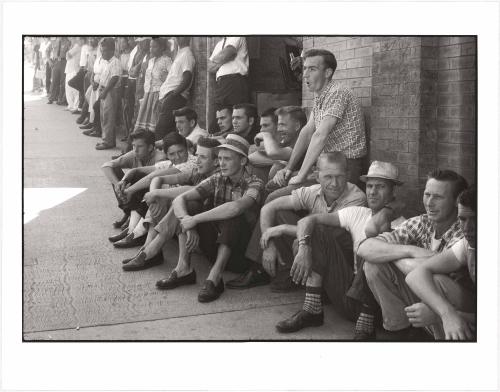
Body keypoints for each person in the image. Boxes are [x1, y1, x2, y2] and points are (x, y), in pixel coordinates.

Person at [275, 161, 405, 338]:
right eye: (369, 186)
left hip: (379, 307)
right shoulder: (358, 213)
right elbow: (306, 221)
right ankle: (312, 309)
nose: (373, 192)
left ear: (393, 191)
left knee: (372, 247)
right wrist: (304, 248)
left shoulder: (404, 226)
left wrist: (385, 216)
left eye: (380, 187)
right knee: (318, 229)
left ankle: (366, 323)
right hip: (350, 294)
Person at [226, 152, 366, 293]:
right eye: (328, 177)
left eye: (339, 177)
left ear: (347, 175)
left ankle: (315, 285)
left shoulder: (356, 198)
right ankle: (277, 271)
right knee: (279, 213)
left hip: (338, 257)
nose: (334, 183)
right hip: (313, 243)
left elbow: (326, 234)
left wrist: (283, 228)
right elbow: (269, 207)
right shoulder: (313, 191)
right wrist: (268, 244)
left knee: (306, 236)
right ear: (317, 177)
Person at [358, 169, 468, 340]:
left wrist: (394, 257)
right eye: (427, 194)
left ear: (456, 201)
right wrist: (410, 251)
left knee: (435, 279)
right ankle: (399, 332)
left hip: (455, 309)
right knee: (373, 264)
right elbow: (365, 247)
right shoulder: (423, 222)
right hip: (420, 299)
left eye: (438, 197)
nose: (429, 203)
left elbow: (431, 272)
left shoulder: (464, 230)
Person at [160, 134, 264, 302]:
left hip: (240, 254)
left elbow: (236, 207)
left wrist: (196, 220)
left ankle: (214, 278)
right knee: (190, 205)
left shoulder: (255, 183)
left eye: (227, 159)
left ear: (243, 161)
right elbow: (180, 199)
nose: (221, 163)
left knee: (233, 217)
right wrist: (189, 222)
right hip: (214, 246)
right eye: (220, 158)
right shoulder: (217, 179)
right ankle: (183, 269)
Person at [268, 49, 367, 202]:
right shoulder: (320, 95)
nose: (305, 74)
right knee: (272, 185)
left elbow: (320, 135)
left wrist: (301, 175)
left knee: (273, 198)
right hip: (325, 163)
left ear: (327, 73)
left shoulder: (337, 92)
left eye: (312, 69)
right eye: (305, 68)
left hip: (343, 168)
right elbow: (307, 131)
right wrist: (289, 168)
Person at [122, 137, 221, 271]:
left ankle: (152, 250)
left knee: (184, 202)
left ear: (216, 161)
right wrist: (155, 196)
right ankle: (152, 250)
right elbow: (158, 178)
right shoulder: (197, 171)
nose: (197, 160)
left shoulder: (218, 177)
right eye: (197, 156)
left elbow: (193, 191)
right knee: (164, 197)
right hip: (190, 230)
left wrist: (157, 194)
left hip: (213, 240)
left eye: (203, 157)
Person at [405, 187, 476, 340]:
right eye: (463, 219)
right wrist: (446, 313)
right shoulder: (466, 243)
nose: (468, 228)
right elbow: (416, 274)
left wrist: (438, 315)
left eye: (476, 219)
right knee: (435, 281)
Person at [111, 132, 197, 248]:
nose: (177, 157)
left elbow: (154, 177)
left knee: (152, 190)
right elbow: (136, 170)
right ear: (167, 154)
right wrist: (123, 181)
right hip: (168, 203)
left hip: (184, 202)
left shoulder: (191, 163)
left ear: (187, 149)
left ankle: (139, 237)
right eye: (172, 154)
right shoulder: (170, 163)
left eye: (181, 151)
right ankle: (134, 231)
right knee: (139, 178)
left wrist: (129, 191)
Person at [101, 129, 166, 229]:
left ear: (150, 147)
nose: (135, 150)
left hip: (153, 198)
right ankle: (129, 213)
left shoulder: (160, 158)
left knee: (138, 176)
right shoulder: (134, 154)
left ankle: (135, 216)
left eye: (140, 146)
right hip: (134, 194)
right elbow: (106, 166)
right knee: (115, 172)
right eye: (134, 145)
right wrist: (117, 184)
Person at [155, 37, 196, 140]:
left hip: (175, 97)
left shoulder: (187, 54)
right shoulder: (180, 53)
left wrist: (173, 95)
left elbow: (187, 77)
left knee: (161, 130)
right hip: (169, 97)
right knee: (167, 131)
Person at [208, 37, 249, 132]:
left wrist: (219, 60)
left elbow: (228, 52)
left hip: (235, 81)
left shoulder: (237, 36)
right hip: (221, 84)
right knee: (217, 123)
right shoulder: (219, 44)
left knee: (237, 119)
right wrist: (223, 59)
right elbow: (209, 67)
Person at [134, 38, 172, 133]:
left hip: (158, 94)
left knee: (155, 119)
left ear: (162, 47)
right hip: (148, 94)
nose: (151, 49)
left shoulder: (166, 60)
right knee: (144, 118)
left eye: (154, 47)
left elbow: (172, 77)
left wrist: (165, 78)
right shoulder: (150, 61)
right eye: (150, 46)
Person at [95, 38, 122, 150]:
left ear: (112, 50)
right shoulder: (106, 62)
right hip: (104, 90)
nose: (102, 53)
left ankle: (108, 142)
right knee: (104, 116)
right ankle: (107, 139)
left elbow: (114, 78)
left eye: (105, 50)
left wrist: (105, 91)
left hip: (110, 91)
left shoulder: (115, 62)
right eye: (102, 50)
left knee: (108, 117)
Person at [47, 37, 70, 105]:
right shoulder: (53, 42)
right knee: (54, 81)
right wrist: (49, 61)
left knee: (63, 81)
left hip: (64, 62)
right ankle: (51, 98)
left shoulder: (68, 42)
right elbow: (47, 51)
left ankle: (60, 99)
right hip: (55, 62)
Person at [64, 37, 82, 113]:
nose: (70, 39)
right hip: (69, 69)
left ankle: (76, 106)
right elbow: (67, 56)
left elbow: (68, 55)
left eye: (72, 38)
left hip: (74, 69)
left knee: (74, 90)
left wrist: (67, 53)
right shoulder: (72, 46)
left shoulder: (77, 46)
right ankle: (70, 105)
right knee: (68, 88)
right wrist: (67, 53)